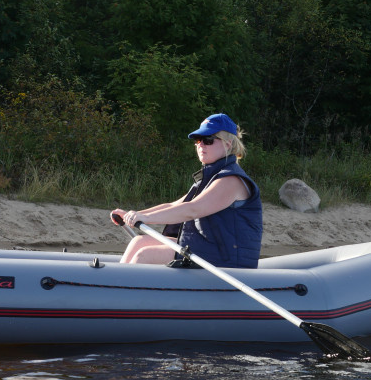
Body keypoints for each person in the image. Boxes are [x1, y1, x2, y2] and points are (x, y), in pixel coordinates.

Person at [111, 112, 263, 267]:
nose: (201, 145)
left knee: (145, 254)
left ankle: (123, 281)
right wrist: (135, 214)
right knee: (139, 241)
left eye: (208, 140)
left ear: (228, 144)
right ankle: (118, 280)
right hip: (209, 248)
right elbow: (173, 205)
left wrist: (146, 218)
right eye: (198, 140)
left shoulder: (231, 180)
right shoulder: (210, 178)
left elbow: (193, 209)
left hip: (227, 259)